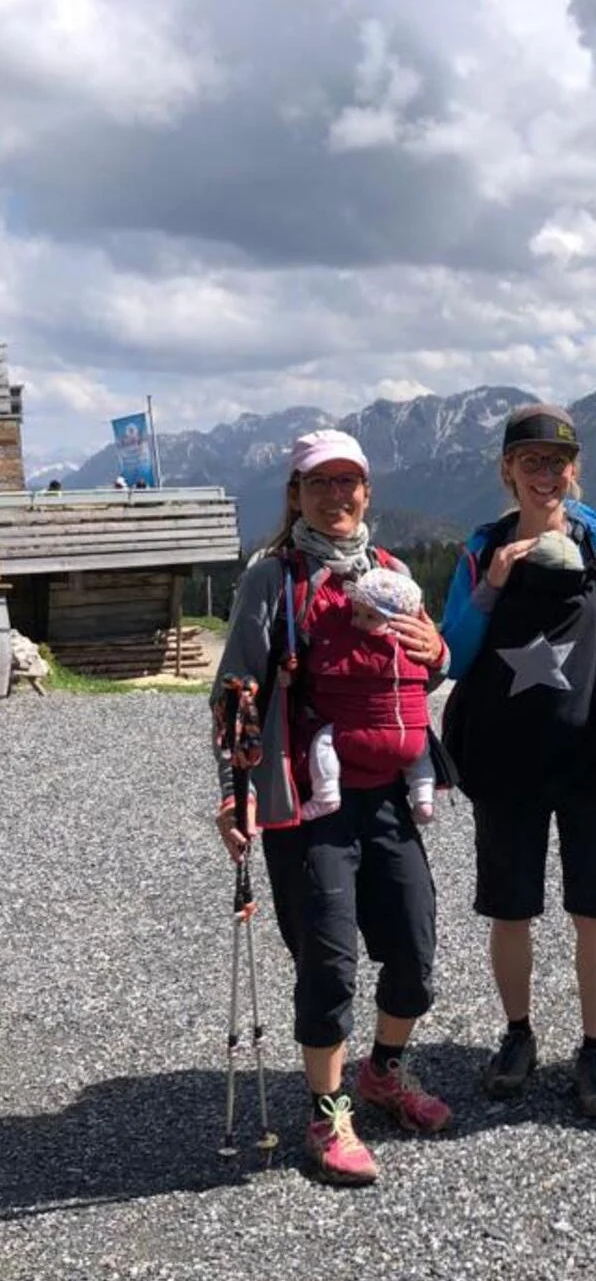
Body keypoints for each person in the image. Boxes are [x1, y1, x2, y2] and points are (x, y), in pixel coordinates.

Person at [212, 428, 451, 1186]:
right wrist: (234, 791)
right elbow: (236, 693)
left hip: (387, 795)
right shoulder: (271, 580)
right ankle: (327, 1110)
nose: (337, 496)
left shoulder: (391, 571)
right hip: (309, 804)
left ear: (367, 492)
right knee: (328, 959)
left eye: (350, 483)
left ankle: (384, 1069)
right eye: (321, 484)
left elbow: (429, 665)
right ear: (297, 494)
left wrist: (437, 650)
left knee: (414, 951)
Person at [440, 402, 596, 1117]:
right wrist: (492, 586)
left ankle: (594, 1046)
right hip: (505, 761)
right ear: (507, 470)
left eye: (558, 461)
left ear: (576, 469)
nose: (546, 474)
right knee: (510, 908)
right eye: (531, 461)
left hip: (592, 755)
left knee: (593, 908)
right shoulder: (483, 550)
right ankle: (517, 1034)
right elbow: (451, 650)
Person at [300, 566, 437, 826]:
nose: (359, 622)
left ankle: (326, 793)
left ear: (397, 620)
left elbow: (321, 666)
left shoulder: (360, 647)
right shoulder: (417, 648)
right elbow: (431, 676)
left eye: (370, 617)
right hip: (409, 736)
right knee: (422, 752)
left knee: (323, 741)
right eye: (357, 614)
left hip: (359, 736)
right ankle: (423, 798)